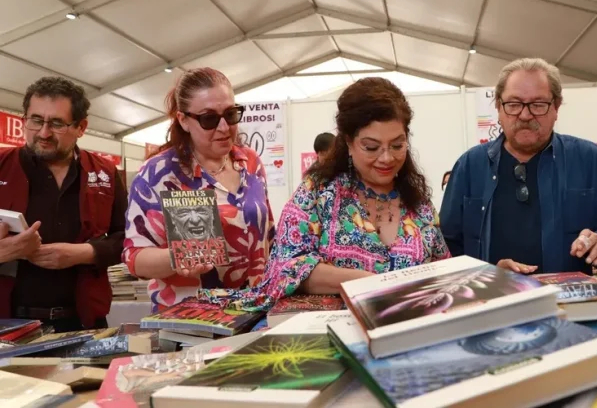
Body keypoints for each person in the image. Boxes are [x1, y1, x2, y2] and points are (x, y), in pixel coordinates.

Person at [201, 77, 450, 311]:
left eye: (397, 145)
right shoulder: (318, 193)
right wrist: (369, 283)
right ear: (349, 143)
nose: (386, 158)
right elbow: (285, 267)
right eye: (371, 147)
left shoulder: (418, 204)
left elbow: (443, 271)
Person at [440, 58, 597, 275]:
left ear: (556, 107)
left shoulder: (590, 160)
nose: (525, 115)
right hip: (492, 303)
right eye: (513, 104)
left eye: (538, 105)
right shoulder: (470, 167)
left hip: (568, 304)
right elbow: (446, 249)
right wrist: (490, 274)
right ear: (498, 107)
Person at [123, 67, 275, 312]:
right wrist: (176, 257)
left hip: (254, 311)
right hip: (192, 321)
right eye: (209, 118)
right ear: (184, 120)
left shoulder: (250, 162)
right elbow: (135, 258)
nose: (225, 127)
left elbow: (269, 236)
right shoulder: (160, 173)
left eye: (231, 114)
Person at [0, 76, 127, 331]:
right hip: (8, 324)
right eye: (36, 120)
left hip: (84, 321)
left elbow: (127, 237)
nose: (44, 133)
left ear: (81, 127)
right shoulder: (3, 166)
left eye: (57, 124)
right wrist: (6, 251)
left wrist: (85, 253)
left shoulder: (104, 173)